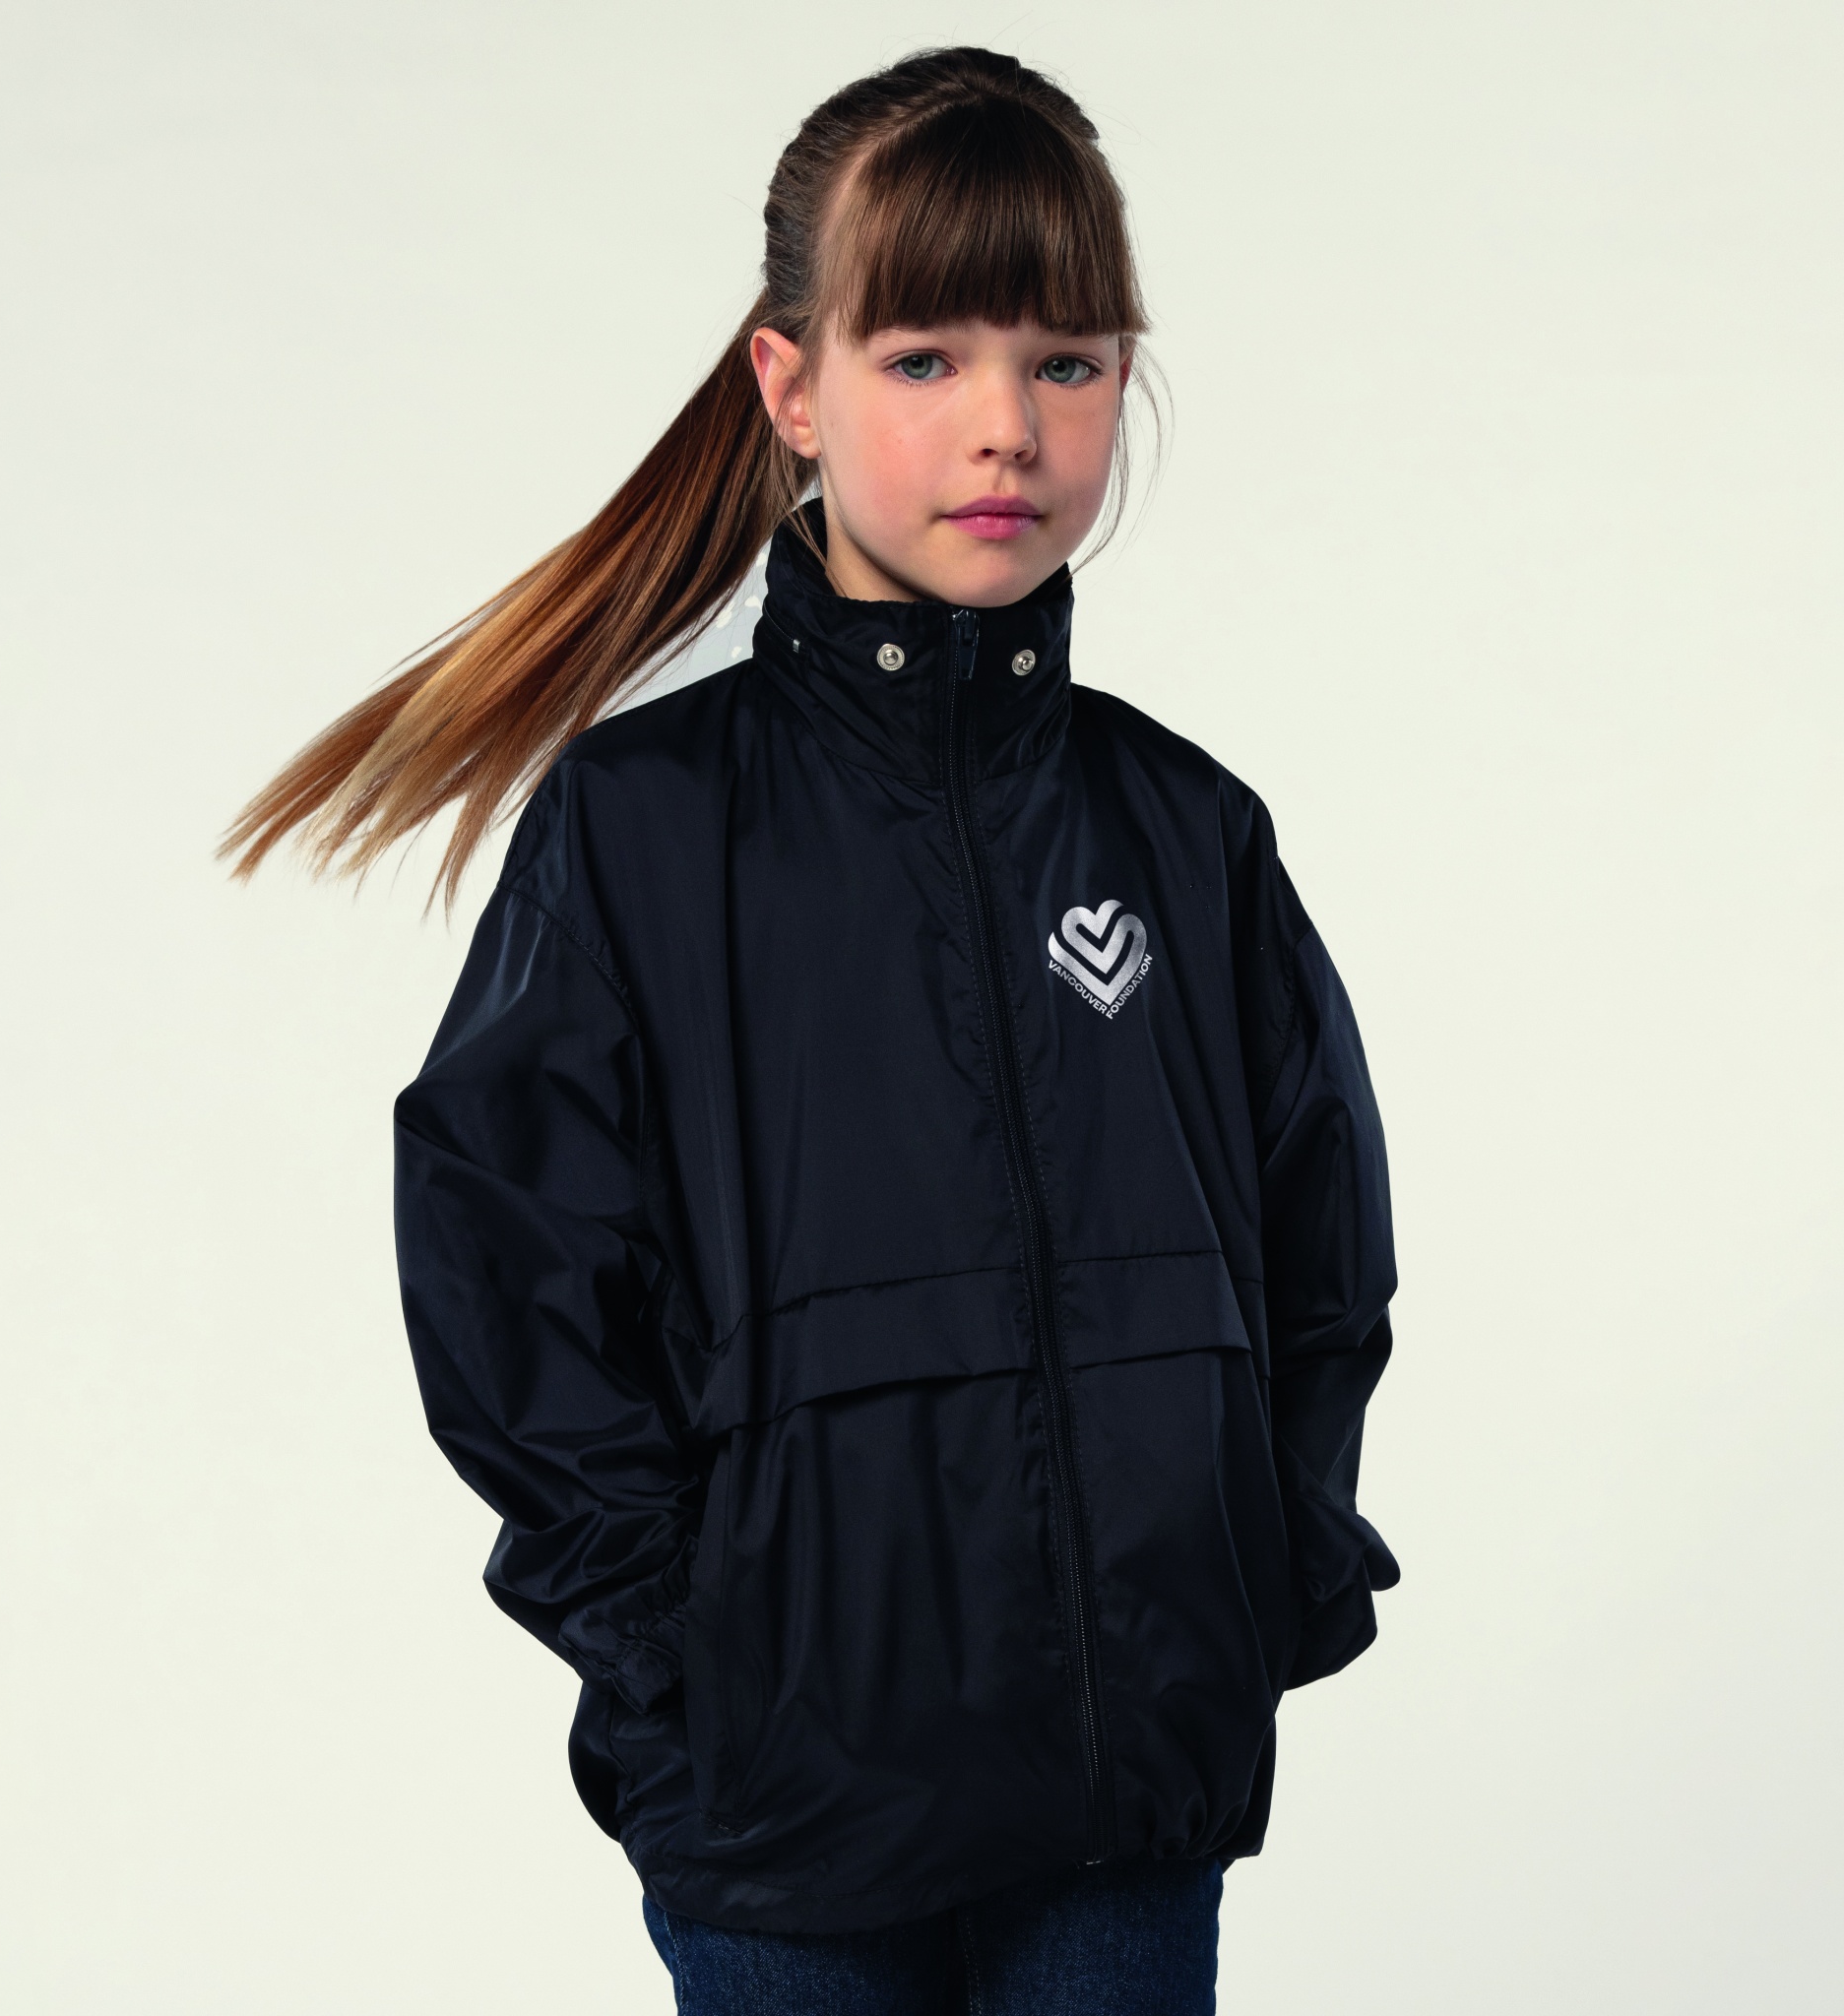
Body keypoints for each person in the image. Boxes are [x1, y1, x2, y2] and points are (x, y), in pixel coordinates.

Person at [225, 45, 1399, 2016]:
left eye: (1066, 360)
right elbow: (512, 1286)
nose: (1006, 425)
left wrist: (1249, 1594)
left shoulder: (1185, 834)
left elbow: (1316, 1257)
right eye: (925, 356)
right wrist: (684, 1677)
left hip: (1123, 1814)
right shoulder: (642, 832)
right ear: (792, 385)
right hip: (786, 1835)